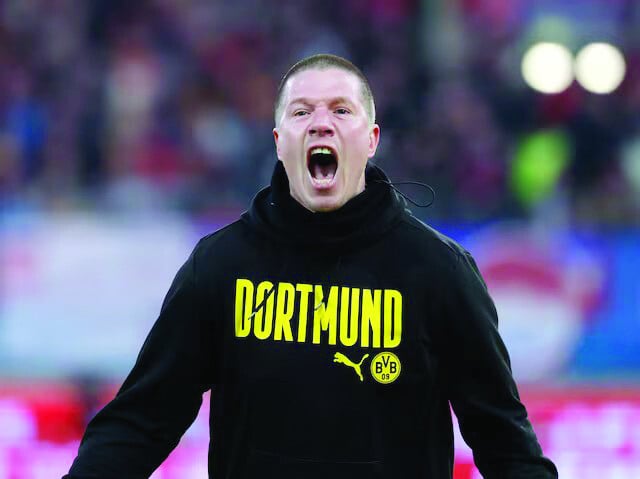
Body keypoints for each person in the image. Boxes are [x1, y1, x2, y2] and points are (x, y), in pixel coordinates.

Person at [64, 54, 558, 479]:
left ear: (371, 139)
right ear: (280, 141)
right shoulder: (220, 266)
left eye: (341, 110)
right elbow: (143, 418)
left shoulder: (438, 271)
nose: (321, 123)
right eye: (302, 112)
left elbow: (501, 436)